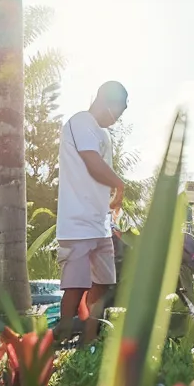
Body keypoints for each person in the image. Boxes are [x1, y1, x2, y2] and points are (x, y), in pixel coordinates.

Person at [55, 80, 128, 343]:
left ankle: (88, 338)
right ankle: (61, 337)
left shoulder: (103, 134)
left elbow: (99, 174)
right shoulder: (81, 122)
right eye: (118, 111)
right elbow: (92, 163)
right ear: (106, 101)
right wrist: (119, 184)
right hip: (77, 221)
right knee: (76, 286)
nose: (117, 119)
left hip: (98, 223)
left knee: (103, 282)